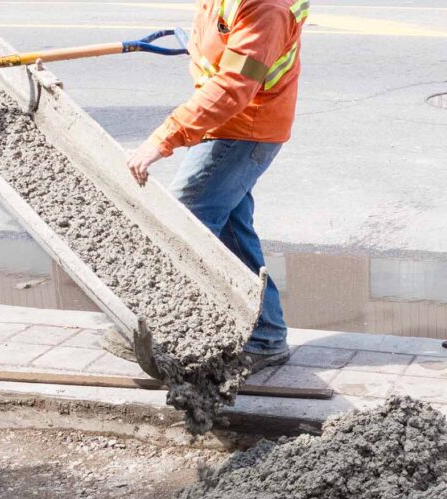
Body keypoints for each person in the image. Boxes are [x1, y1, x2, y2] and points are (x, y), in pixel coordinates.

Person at [118, 0, 309, 371]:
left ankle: (169, 332)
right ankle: (266, 334)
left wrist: (163, 139)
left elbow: (234, 85)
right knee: (232, 235)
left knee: (182, 226)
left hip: (244, 130)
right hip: (229, 124)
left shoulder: (266, 7)